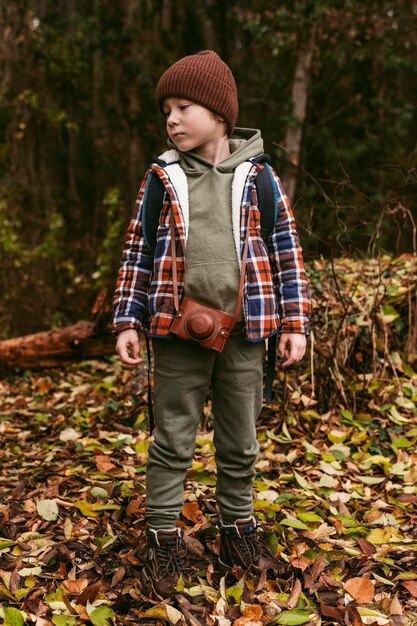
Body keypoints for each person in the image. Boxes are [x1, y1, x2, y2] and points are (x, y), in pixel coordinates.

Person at [112, 50, 310, 599]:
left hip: (248, 333)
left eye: (183, 107)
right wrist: (128, 318)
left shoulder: (261, 179)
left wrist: (294, 321)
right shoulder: (163, 178)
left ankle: (237, 529)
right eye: (165, 111)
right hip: (176, 334)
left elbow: (287, 254)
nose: (171, 119)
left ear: (219, 114)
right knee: (172, 438)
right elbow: (138, 252)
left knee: (240, 440)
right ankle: (162, 538)